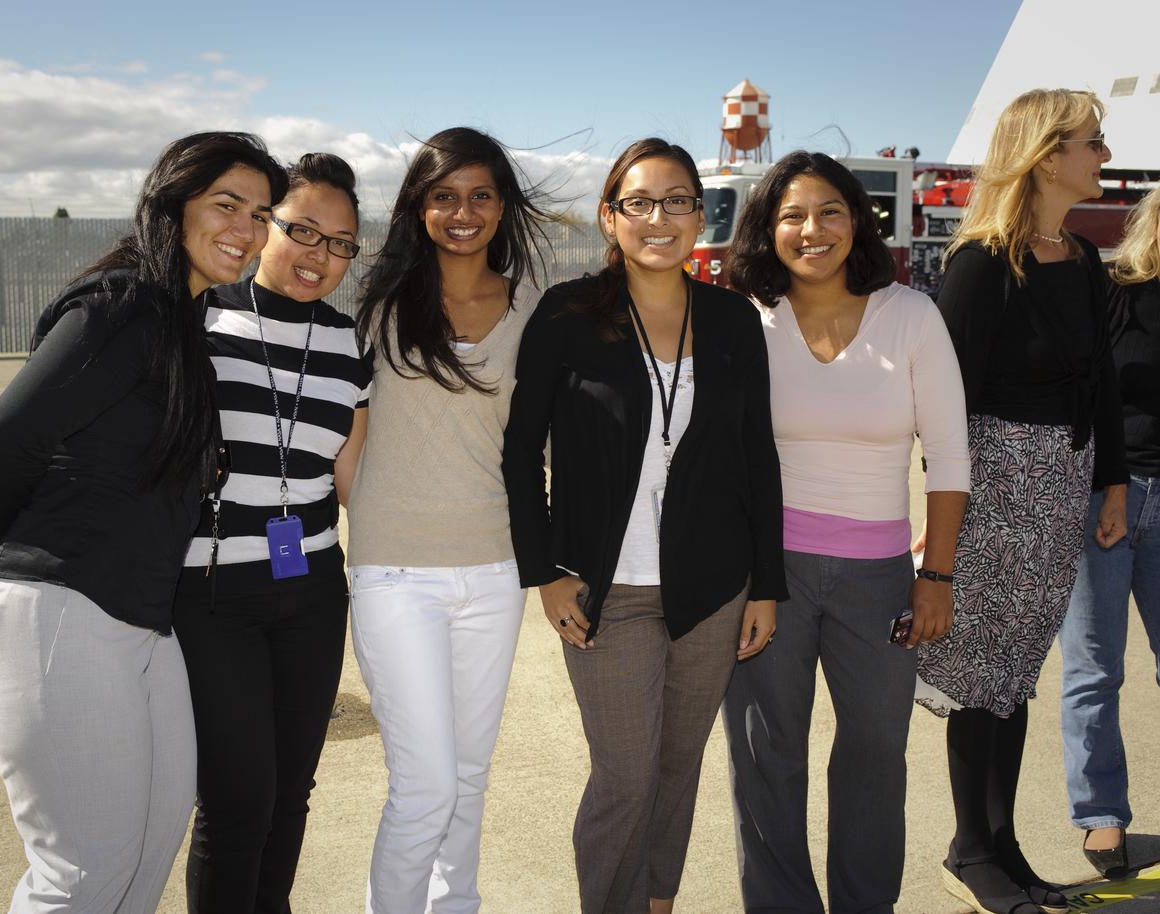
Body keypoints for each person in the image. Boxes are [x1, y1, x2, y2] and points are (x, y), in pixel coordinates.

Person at [0, 132, 287, 913]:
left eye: (261, 214)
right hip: (60, 613)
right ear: (171, 204)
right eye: (227, 204)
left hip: (139, 621)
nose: (247, 230)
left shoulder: (182, 324)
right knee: (83, 873)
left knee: (147, 849)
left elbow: (83, 460)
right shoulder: (128, 304)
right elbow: (10, 435)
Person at [503, 137, 785, 914]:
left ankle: (658, 901)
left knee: (677, 765)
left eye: (678, 201)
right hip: (606, 587)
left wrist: (766, 584)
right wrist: (547, 570)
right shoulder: (567, 313)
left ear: (701, 213)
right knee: (625, 774)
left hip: (713, 586)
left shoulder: (732, 320)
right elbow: (521, 450)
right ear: (610, 215)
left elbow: (756, 456)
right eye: (640, 202)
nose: (659, 218)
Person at [719, 151, 970, 914]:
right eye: (792, 214)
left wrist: (936, 577)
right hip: (767, 575)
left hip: (880, 578)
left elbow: (950, 455)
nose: (812, 229)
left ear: (858, 218)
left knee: (873, 761)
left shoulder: (912, 315)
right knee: (767, 760)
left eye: (830, 210)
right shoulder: (746, 319)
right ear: (768, 230)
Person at [915, 88, 1128, 914]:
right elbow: (943, 410)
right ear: (1045, 155)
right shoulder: (978, 265)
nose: (1103, 155)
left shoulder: (1080, 258)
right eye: (1092, 142)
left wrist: (1110, 481)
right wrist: (949, 534)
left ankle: (1002, 846)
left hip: (1064, 489)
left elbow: (1101, 382)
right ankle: (971, 851)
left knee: (1016, 677)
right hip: (995, 493)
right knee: (980, 676)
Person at [345, 126, 554, 914]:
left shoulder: (532, 307)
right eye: (443, 196)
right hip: (396, 572)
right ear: (418, 206)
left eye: (479, 195)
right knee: (426, 783)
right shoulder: (380, 302)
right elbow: (347, 439)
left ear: (502, 206)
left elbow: (545, 440)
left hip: (494, 572)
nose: (462, 212)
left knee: (469, 773)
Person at [170, 153, 370, 914]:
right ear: (266, 226)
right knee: (235, 799)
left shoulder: (352, 346)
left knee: (292, 792)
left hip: (315, 590)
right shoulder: (201, 319)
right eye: (303, 231)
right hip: (214, 590)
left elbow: (351, 480)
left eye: (342, 243)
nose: (320, 256)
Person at [1058, 184, 1160, 880]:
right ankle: (1101, 816)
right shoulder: (1115, 286)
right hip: (1104, 501)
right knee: (1095, 667)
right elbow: (1084, 386)